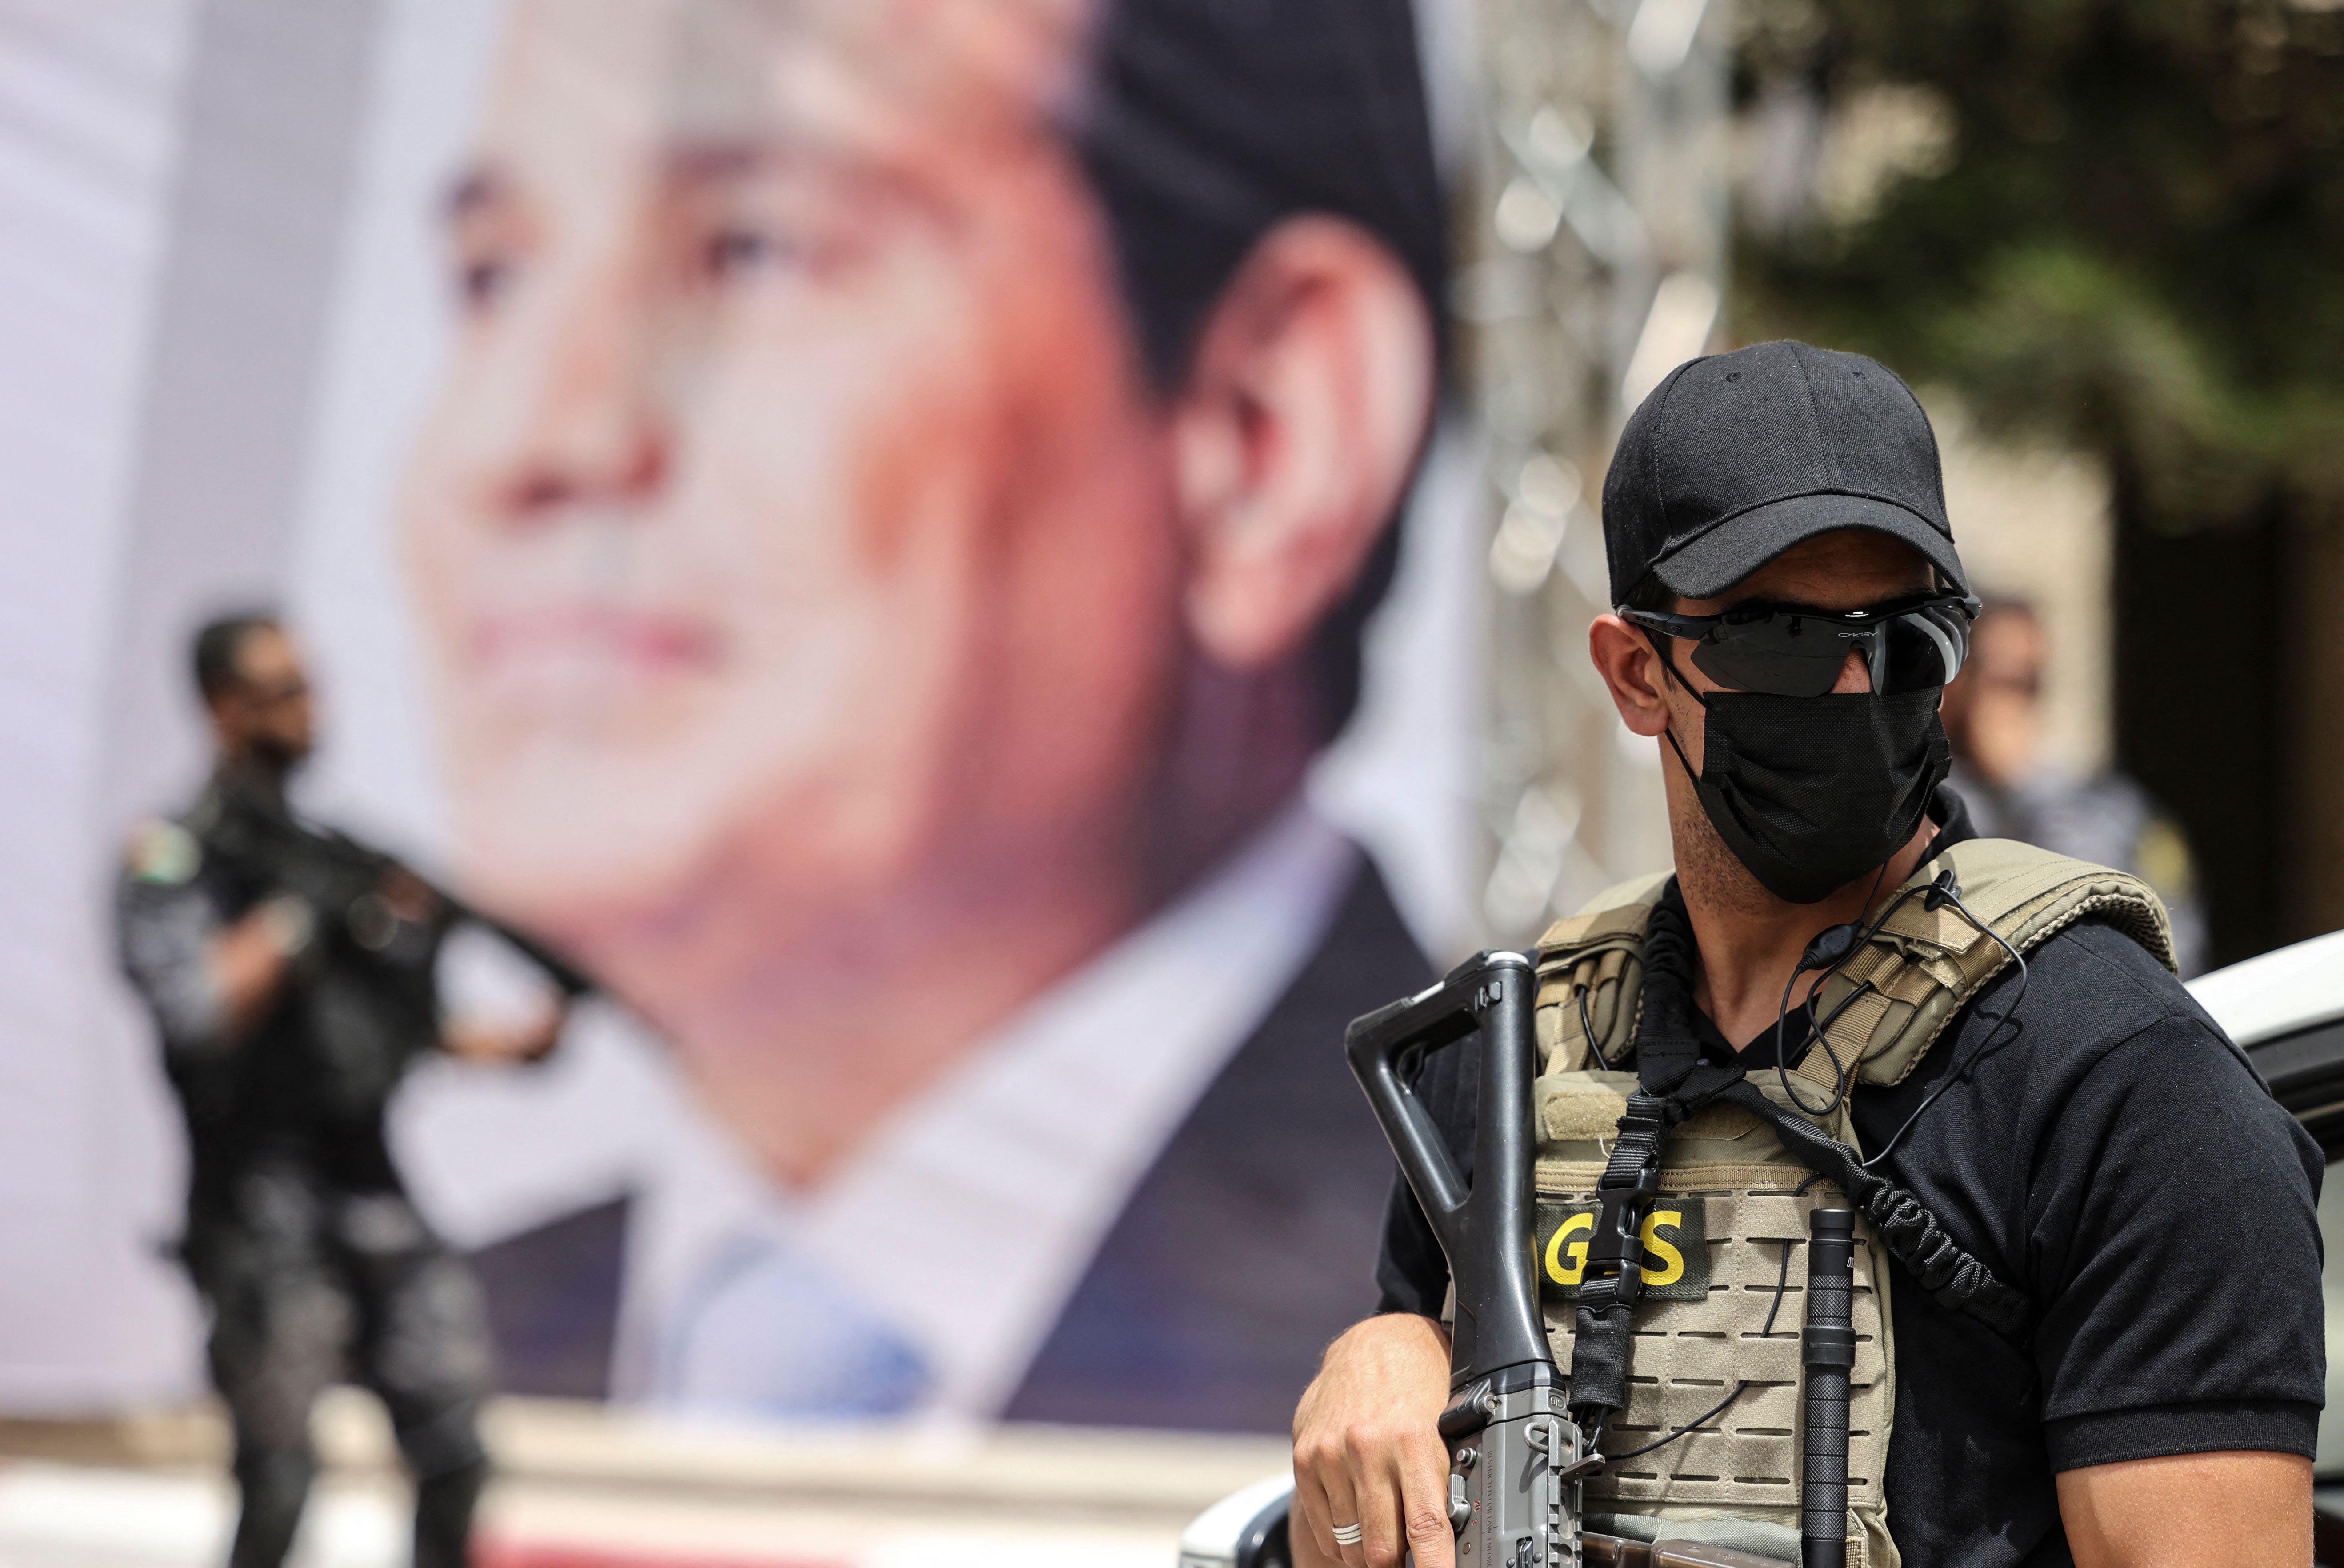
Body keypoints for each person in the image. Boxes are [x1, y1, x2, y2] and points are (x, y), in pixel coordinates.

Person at [389, 0, 1445, 1428]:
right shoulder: (419, 1363)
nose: (523, 440)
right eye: (491, 275)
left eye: (752, 248)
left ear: (1265, 430)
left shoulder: (1557, 1313)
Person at [1290, 342, 2323, 1568]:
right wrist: (1384, 1350)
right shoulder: (1518, 1060)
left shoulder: (2122, 1083)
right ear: (1636, 674)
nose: (1847, 683)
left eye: (1902, 638)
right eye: (1774, 638)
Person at [115, 614, 575, 1568]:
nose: (306, 710)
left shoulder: (329, 854)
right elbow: (195, 1010)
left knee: (456, 1456)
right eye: (279, 692)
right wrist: (295, 922)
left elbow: (380, 1033)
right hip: (259, 1204)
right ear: (222, 707)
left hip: (371, 1188)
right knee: (281, 1484)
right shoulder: (177, 857)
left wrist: (506, 1044)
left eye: (309, 685)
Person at [1940, 599, 2209, 975]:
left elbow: (2173, 948)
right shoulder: (1928, 804)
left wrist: (2020, 785)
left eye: (2032, 682)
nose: (2019, 704)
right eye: (2004, 682)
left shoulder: (2110, 806)